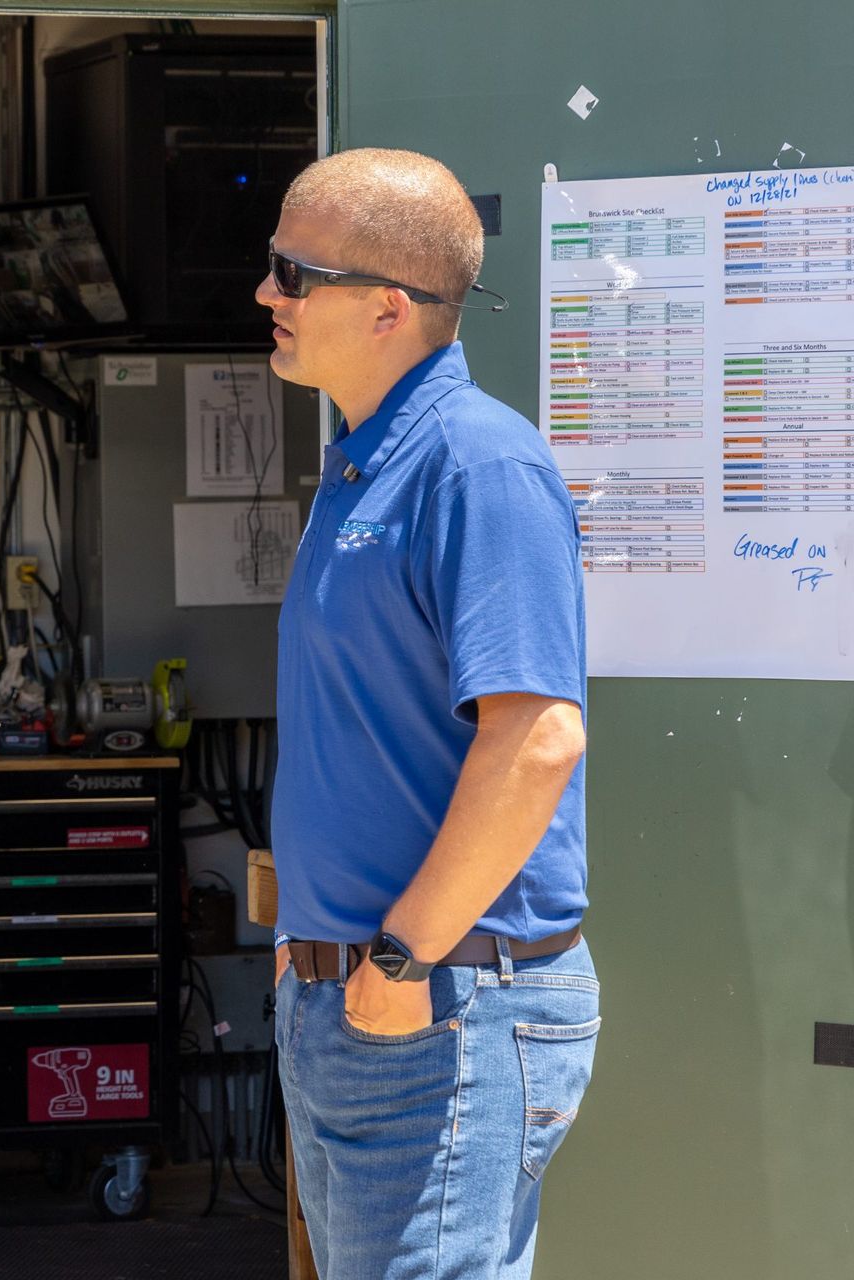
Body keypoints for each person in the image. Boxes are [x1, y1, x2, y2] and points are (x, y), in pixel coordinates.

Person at [260, 149, 597, 1278]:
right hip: (353, 1001)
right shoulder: (364, 465)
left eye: (290, 272)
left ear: (388, 308)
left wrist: (396, 963)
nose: (267, 294)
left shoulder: (477, 466)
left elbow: (537, 736)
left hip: (442, 1004)